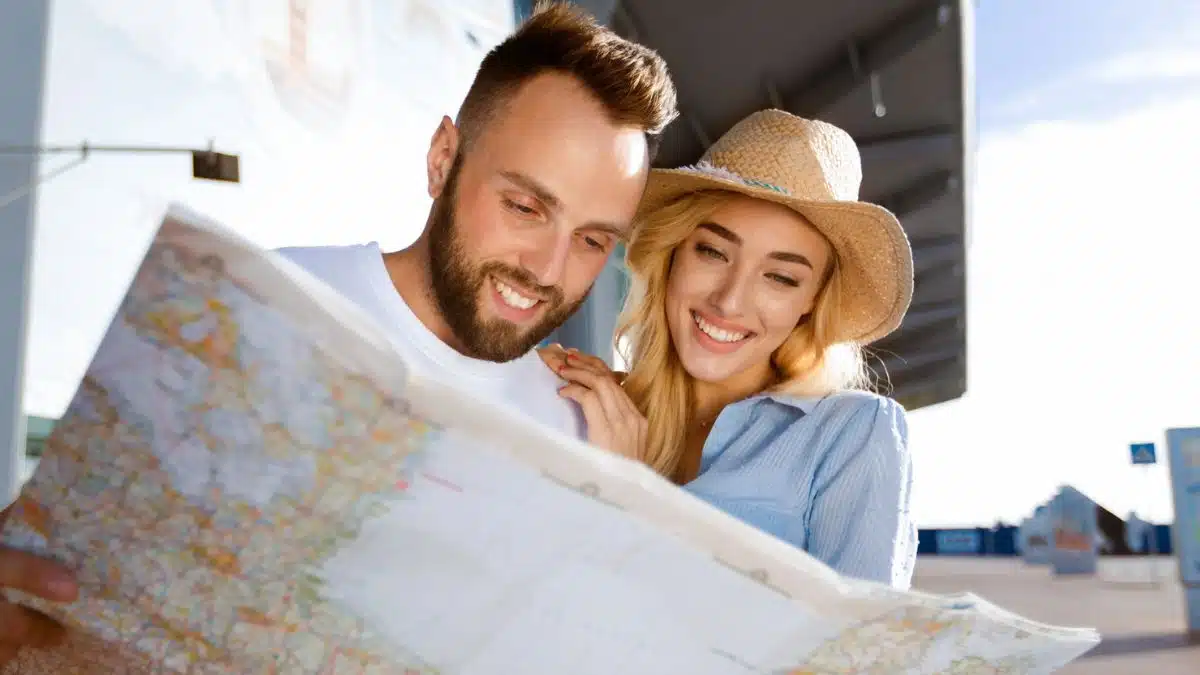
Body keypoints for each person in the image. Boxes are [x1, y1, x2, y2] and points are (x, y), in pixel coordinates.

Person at [0, 3, 677, 660]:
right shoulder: (245, 309)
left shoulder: (589, 435)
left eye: (592, 240)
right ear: (443, 157)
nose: (548, 269)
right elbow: (62, 564)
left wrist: (622, 510)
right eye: (526, 207)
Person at [541, 110, 918, 587]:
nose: (729, 301)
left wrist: (626, 496)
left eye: (781, 277)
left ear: (812, 302)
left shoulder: (851, 434)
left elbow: (861, 654)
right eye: (713, 252)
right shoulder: (590, 408)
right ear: (674, 253)